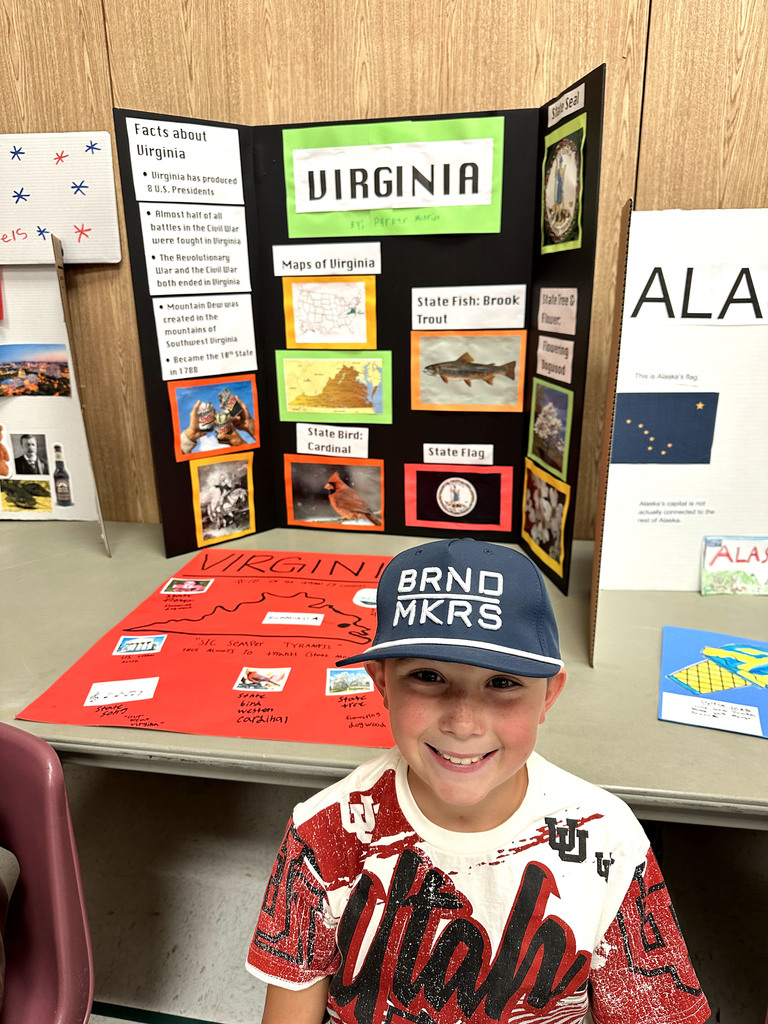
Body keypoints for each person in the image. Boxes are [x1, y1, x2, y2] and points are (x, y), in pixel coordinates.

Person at [246, 538, 710, 1024]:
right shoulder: (322, 832)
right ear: (381, 681)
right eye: (428, 676)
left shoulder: (609, 840)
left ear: (549, 693)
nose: (464, 724)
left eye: (503, 683)